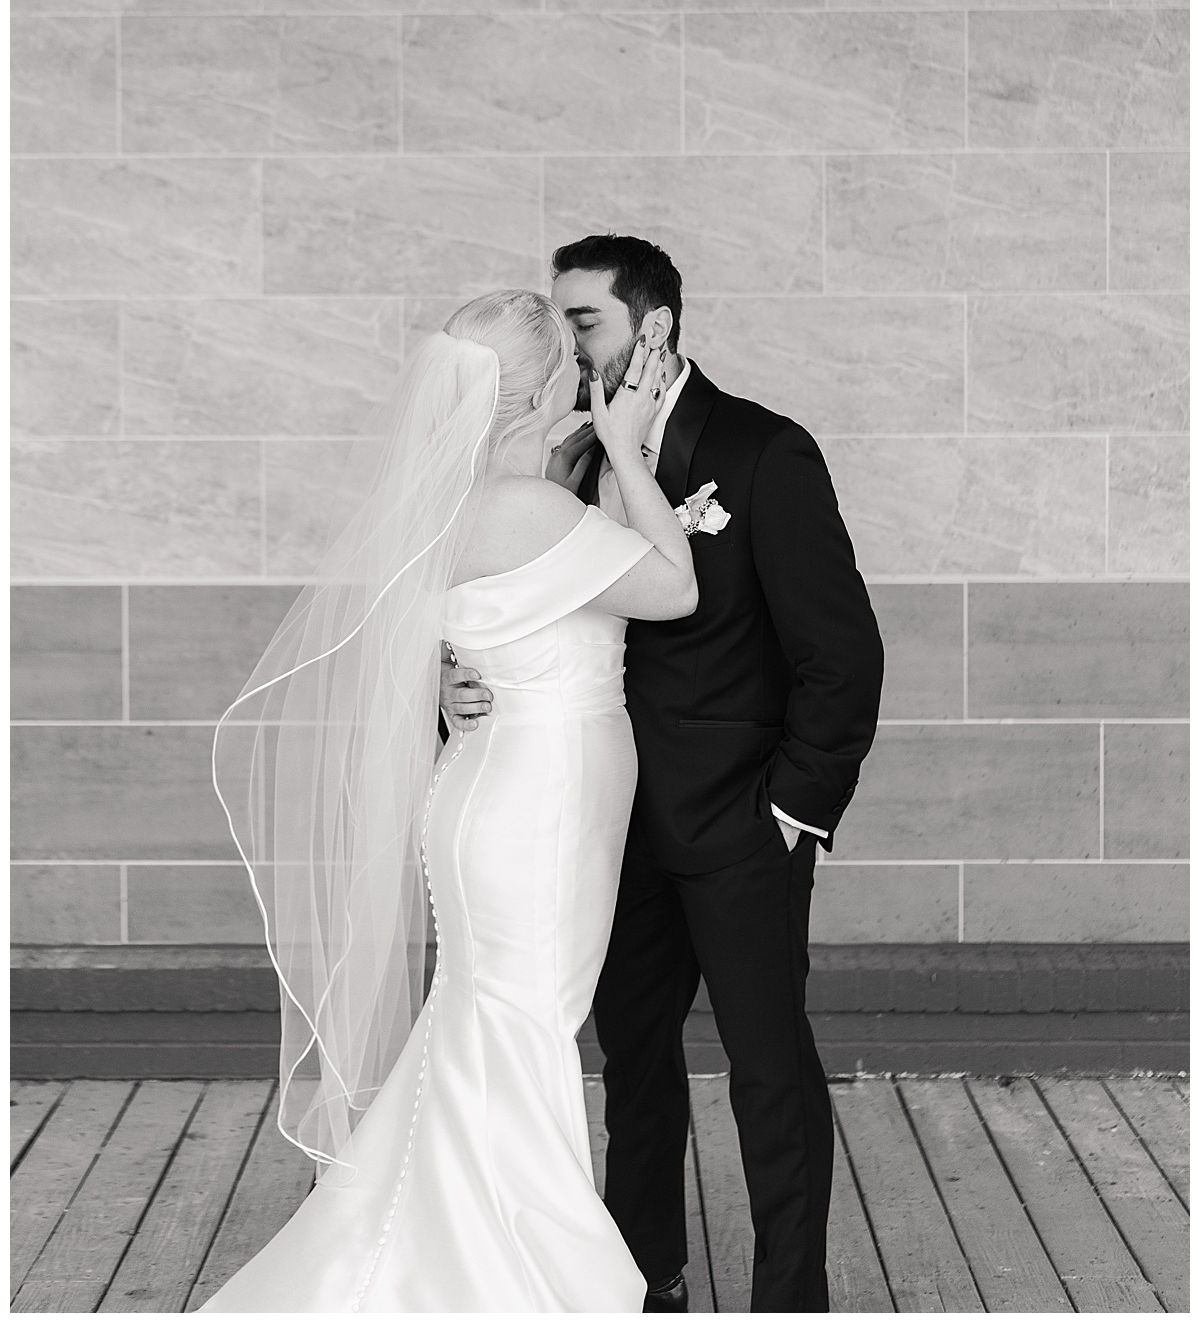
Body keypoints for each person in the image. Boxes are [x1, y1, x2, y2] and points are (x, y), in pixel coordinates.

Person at [201, 288, 697, 1312]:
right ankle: (520, 1269)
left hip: (494, 790)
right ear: (541, 384)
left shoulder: (455, 502)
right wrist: (630, 446)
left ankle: (425, 1248)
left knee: (490, 1020)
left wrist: (433, 664)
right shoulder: (526, 508)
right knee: (521, 1024)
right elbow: (672, 590)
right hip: (537, 802)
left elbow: (418, 620)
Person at [442, 237, 884, 1314]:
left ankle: (791, 1295)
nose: (564, 344)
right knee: (634, 1072)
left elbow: (843, 651)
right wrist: (455, 683)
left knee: (769, 1071)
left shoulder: (766, 449)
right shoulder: (576, 458)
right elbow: (504, 604)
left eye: (583, 319)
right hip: (606, 828)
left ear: (655, 328)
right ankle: (644, 1276)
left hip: (741, 826)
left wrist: (793, 808)